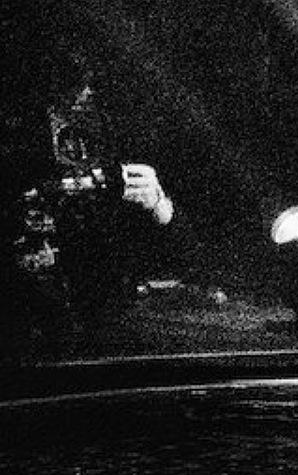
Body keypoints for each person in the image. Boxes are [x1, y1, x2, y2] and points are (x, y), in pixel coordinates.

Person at [3, 62, 175, 357]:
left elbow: (189, 256)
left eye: (87, 89)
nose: (83, 96)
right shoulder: (23, 139)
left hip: (105, 323)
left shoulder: (112, 138)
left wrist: (159, 207)